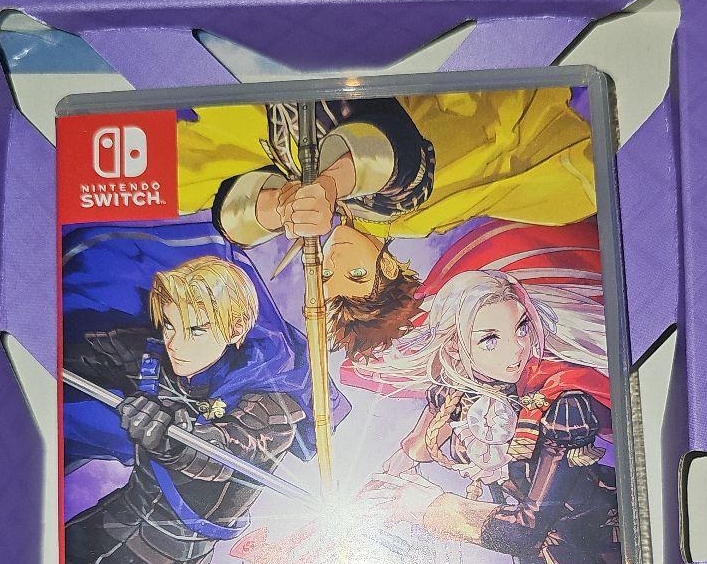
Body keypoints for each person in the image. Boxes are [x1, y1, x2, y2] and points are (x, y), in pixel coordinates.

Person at [63, 247, 345, 564]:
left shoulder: (274, 405)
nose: (176, 342)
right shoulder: (154, 356)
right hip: (107, 527)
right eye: (170, 325)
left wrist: (171, 437)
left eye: (195, 330)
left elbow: (227, 454)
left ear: (234, 330)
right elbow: (75, 348)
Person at [358, 264, 632, 564]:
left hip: (604, 534)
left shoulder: (563, 403)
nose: (517, 350)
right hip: (552, 560)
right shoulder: (451, 399)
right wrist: (352, 515)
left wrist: (430, 508)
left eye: (521, 328)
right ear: (456, 348)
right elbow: (409, 455)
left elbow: (526, 528)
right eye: (491, 338)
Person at [176, 87, 598, 360]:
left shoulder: (322, 215)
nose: (334, 262)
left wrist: (276, 206)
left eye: (328, 277)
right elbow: (400, 162)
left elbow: (232, 219)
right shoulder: (406, 212)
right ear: (390, 266)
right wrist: (331, 183)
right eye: (356, 275)